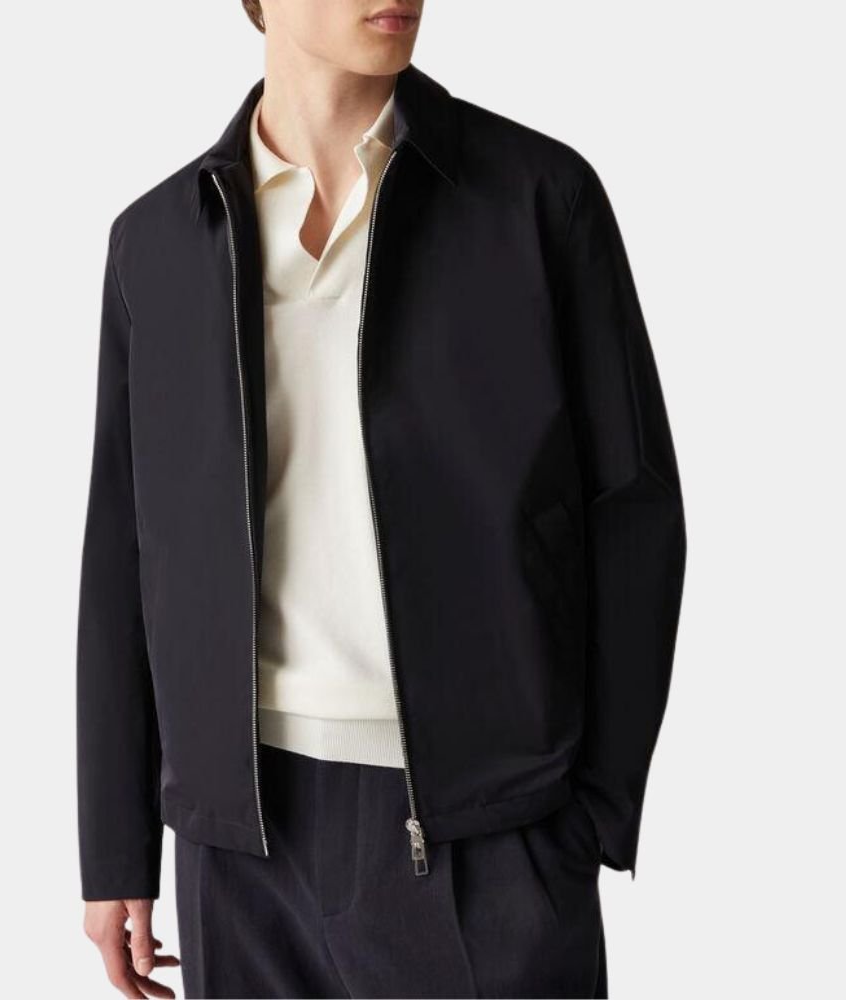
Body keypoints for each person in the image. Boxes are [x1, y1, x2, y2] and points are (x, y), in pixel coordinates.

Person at [77, 1, 687, 997]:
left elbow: (633, 509)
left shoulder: (534, 198)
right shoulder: (158, 240)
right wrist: (115, 847)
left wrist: (588, 817)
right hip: (236, 841)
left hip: (485, 826)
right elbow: (124, 550)